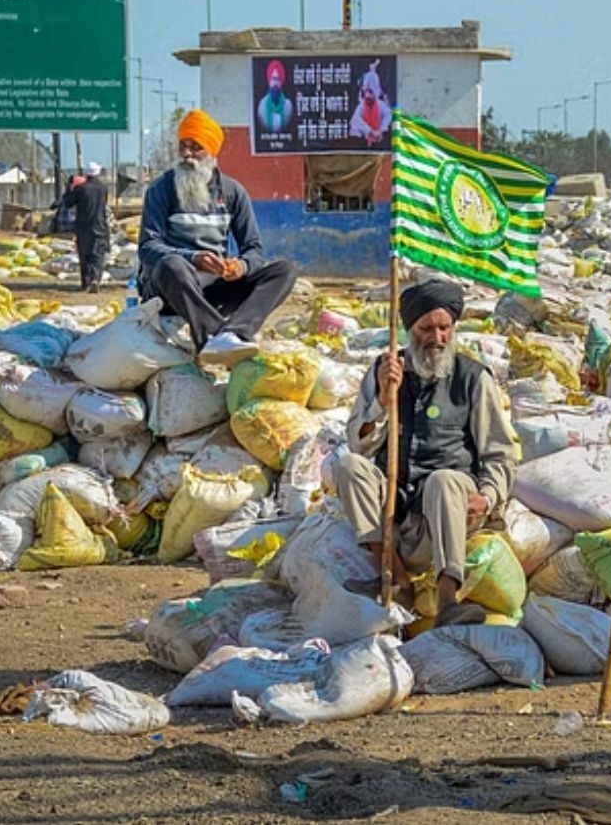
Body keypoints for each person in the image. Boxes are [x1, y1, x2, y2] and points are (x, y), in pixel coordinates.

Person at [333, 280, 519, 628]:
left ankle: (448, 598)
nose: (437, 338)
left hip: (449, 511)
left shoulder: (473, 378)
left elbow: (500, 452)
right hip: (398, 513)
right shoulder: (384, 370)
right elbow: (359, 443)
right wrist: (383, 404)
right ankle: (395, 577)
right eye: (426, 328)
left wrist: (490, 496)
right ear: (409, 330)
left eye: (445, 328)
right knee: (349, 465)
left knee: (443, 480)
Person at [138, 109, 298, 365]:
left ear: (212, 152)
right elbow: (148, 248)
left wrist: (240, 267)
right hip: (171, 288)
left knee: (285, 271)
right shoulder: (162, 188)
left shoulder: (233, 192)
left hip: (213, 289)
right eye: (183, 146)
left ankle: (235, 332)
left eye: (196, 148)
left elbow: (254, 249)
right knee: (172, 264)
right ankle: (212, 336)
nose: (187, 155)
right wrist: (194, 258)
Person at [62, 162, 109, 292]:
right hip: (100, 225)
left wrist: (69, 188)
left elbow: (67, 203)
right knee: (97, 254)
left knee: (85, 255)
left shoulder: (81, 188)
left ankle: (86, 282)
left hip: (83, 227)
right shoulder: (103, 188)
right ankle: (95, 279)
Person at [348, 59, 393, 145]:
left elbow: (388, 115)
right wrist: (369, 131)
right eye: (366, 91)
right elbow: (356, 120)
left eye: (371, 92)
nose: (367, 95)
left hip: (380, 141)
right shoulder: (361, 107)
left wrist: (381, 130)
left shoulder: (381, 105)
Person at [256, 59, 293, 133]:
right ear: (269, 81)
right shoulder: (262, 105)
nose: (275, 83)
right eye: (273, 79)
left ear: (281, 82)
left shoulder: (288, 106)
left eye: (278, 79)